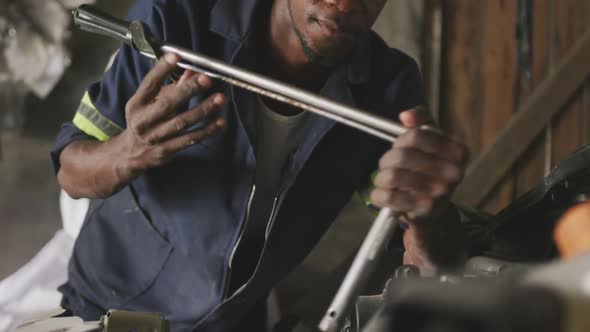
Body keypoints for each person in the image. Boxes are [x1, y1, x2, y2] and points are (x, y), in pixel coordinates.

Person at [51, 0, 467, 330]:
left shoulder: (387, 87)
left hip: (234, 320)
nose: (344, 4)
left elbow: (427, 256)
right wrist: (128, 151)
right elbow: (70, 170)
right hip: (107, 312)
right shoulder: (174, 21)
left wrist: (427, 214)